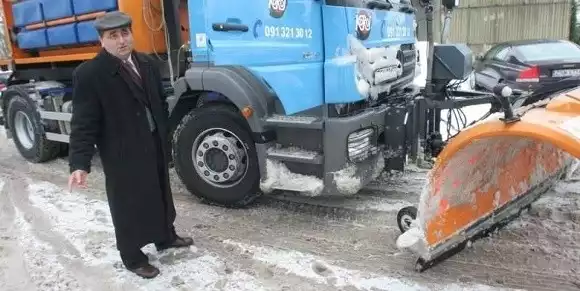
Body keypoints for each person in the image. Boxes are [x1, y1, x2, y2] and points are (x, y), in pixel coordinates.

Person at [67, 11, 193, 279]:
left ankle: (165, 237)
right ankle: (133, 256)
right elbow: (83, 122)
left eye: (125, 33)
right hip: (121, 152)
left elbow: (158, 104)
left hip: (153, 142)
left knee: (160, 192)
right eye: (113, 36)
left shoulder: (146, 63)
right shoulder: (90, 74)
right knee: (127, 203)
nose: (122, 40)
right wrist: (79, 163)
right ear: (102, 40)